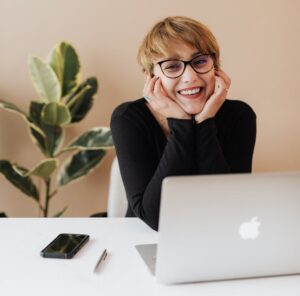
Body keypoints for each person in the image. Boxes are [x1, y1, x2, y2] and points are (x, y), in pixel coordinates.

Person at [110, 16, 256, 231]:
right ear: (151, 76)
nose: (190, 77)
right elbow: (155, 218)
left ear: (215, 67)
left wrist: (205, 122)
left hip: (216, 236)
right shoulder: (128, 118)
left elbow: (230, 207)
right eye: (172, 66)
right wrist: (180, 124)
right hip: (146, 240)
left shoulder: (239, 116)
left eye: (199, 62)